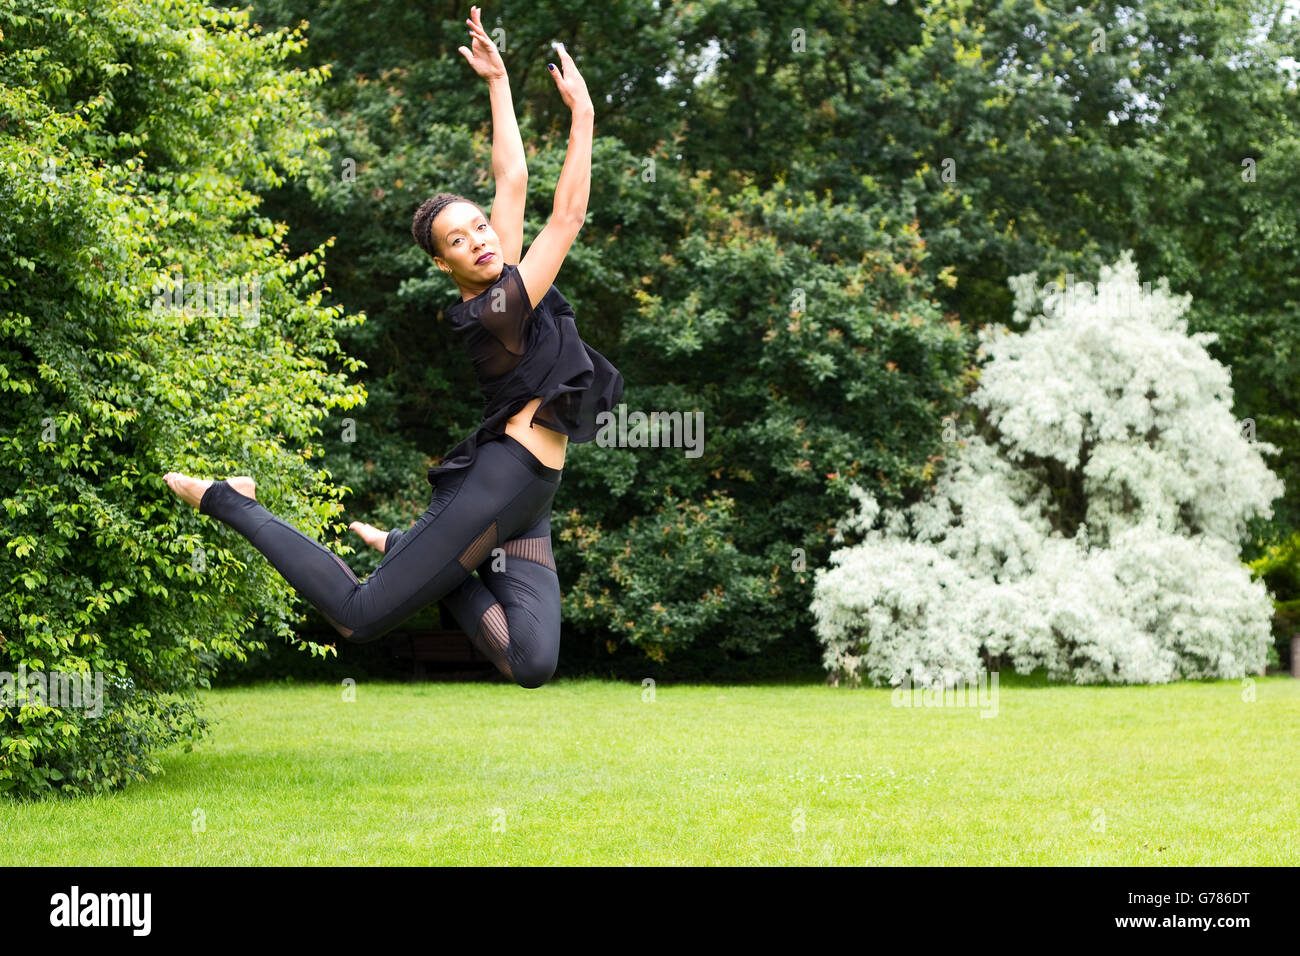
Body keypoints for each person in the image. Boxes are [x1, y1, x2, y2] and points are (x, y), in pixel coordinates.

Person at [164, 6, 622, 689]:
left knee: (532, 663)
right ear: (445, 265)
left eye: (478, 227)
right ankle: (231, 499)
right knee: (357, 615)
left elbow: (513, 181)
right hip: (498, 483)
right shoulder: (498, 306)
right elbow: (568, 214)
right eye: (459, 241)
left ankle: (410, 547)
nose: (480, 239)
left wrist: (498, 83)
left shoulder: (506, 279)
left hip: (534, 492)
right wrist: (582, 118)